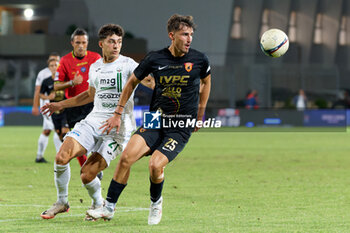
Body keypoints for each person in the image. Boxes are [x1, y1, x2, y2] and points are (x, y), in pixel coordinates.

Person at [86, 14, 211, 225]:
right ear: (172, 35)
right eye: (184, 34)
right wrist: (117, 113)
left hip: (179, 125)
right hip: (155, 120)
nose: (189, 39)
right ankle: (108, 208)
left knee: (155, 166)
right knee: (126, 158)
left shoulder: (199, 60)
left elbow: (206, 83)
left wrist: (200, 114)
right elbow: (131, 83)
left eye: (191, 35)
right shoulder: (155, 58)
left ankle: (156, 202)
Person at [40, 23, 154, 220]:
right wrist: (61, 105)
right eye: (111, 41)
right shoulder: (95, 67)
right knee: (61, 156)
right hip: (93, 121)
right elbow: (89, 95)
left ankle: (98, 202)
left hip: (118, 131)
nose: (116, 45)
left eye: (119, 42)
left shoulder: (129, 65)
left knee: (87, 174)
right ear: (101, 44)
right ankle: (62, 201)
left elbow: (151, 82)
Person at [54, 28, 101, 168]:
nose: (81, 45)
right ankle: (86, 168)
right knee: (78, 139)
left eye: (84, 42)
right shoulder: (64, 61)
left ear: (87, 43)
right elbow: (56, 86)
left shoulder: (96, 58)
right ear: (72, 43)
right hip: (74, 106)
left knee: (96, 137)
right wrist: (71, 83)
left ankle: (94, 165)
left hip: (93, 103)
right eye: (78, 42)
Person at [32, 52, 62, 163]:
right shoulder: (43, 74)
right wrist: (35, 105)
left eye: (56, 62)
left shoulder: (62, 74)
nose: (54, 66)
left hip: (59, 106)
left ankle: (39, 156)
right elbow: (38, 91)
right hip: (47, 106)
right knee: (57, 129)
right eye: (52, 63)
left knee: (47, 131)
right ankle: (60, 157)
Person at [39, 58, 70, 142]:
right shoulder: (46, 81)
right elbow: (41, 95)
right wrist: (48, 97)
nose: (54, 67)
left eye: (56, 65)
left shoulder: (65, 79)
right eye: (51, 66)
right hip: (54, 112)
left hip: (65, 110)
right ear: (49, 68)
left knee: (65, 132)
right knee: (59, 133)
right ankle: (66, 151)